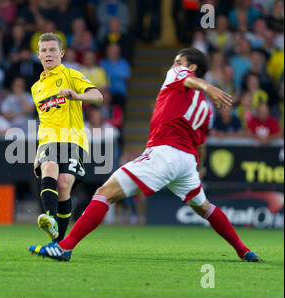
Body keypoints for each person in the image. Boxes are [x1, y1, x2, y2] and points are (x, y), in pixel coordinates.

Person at [29, 48, 260, 263]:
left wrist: (209, 87)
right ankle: (243, 250)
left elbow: (187, 78)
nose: (174, 64)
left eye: (179, 60)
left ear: (191, 67)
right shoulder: (205, 108)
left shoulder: (179, 73)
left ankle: (64, 247)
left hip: (164, 153)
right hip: (187, 161)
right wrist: (199, 167)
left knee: (104, 193)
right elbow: (200, 143)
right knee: (205, 207)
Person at [31, 32, 103, 243]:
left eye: (52, 50)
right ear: (38, 55)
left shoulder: (71, 75)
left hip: (74, 140)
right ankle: (51, 220)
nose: (48, 54)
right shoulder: (36, 88)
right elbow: (44, 121)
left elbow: (98, 96)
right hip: (48, 140)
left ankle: (59, 242)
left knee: (64, 184)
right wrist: (38, 152)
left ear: (61, 53)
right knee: (49, 167)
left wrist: (77, 96)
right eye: (44, 50)